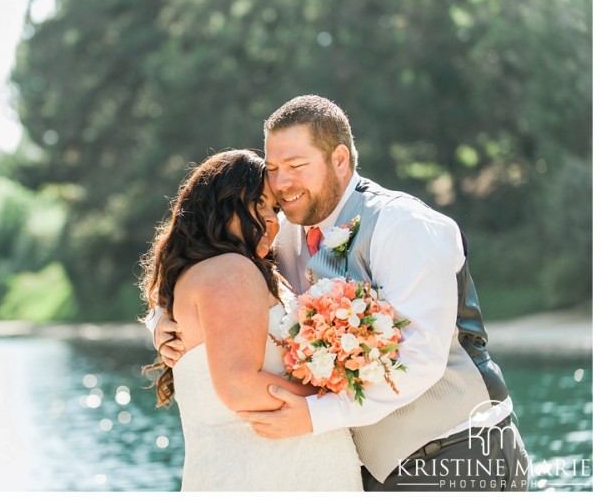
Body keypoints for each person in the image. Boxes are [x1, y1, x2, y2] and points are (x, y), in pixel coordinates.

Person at [150, 96, 530, 491]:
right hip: (365, 473)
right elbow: (213, 276)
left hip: (458, 452)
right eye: (275, 169)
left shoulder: (402, 225)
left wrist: (315, 415)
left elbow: (420, 358)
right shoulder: (282, 238)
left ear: (339, 160)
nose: (281, 184)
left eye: (297, 166)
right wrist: (164, 322)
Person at [140, 149, 363, 492]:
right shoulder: (232, 270)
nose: (272, 220)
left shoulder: (204, 274)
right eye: (258, 204)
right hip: (274, 474)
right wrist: (336, 397)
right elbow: (239, 386)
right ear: (219, 205)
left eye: (274, 208)